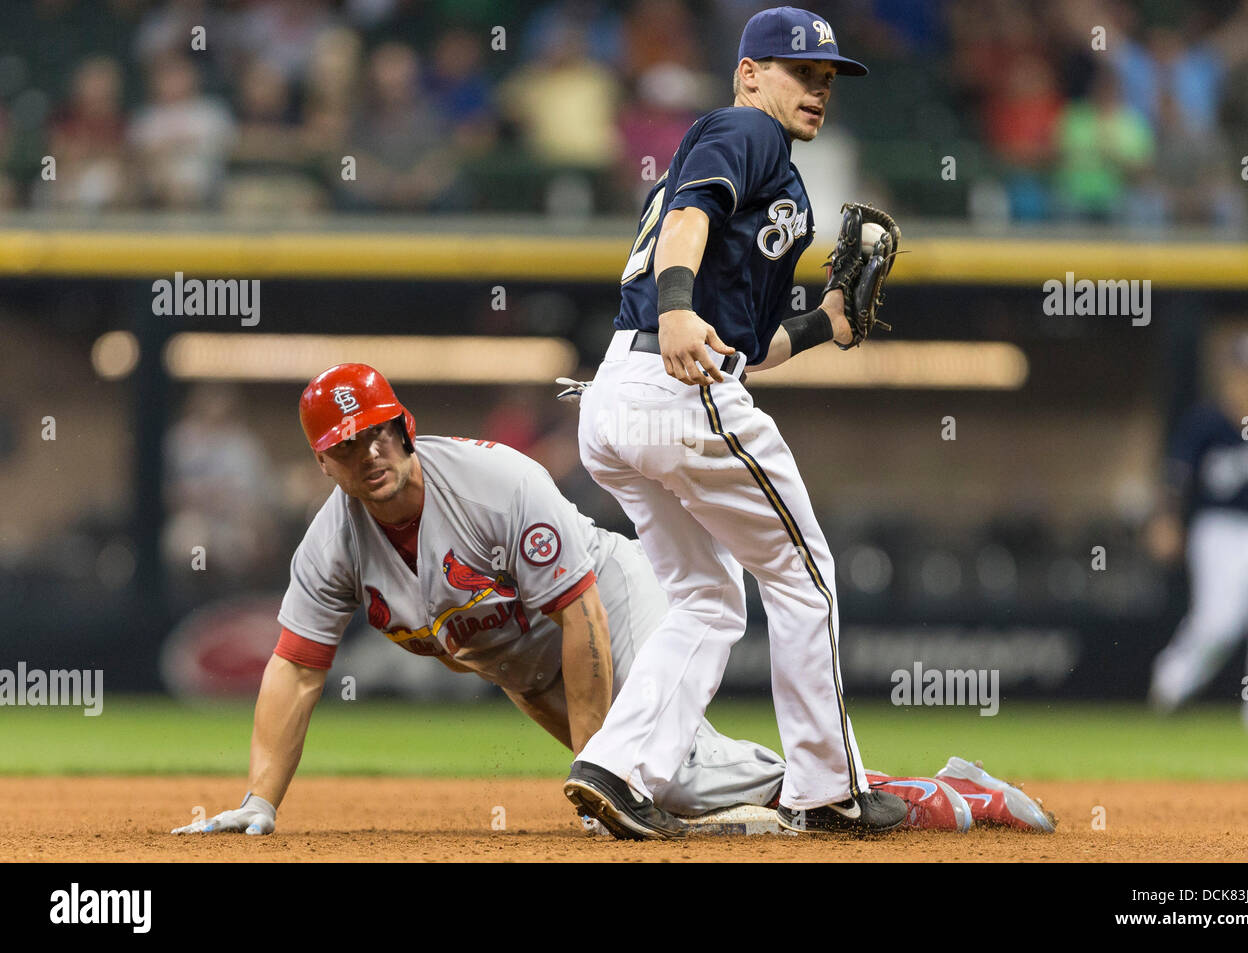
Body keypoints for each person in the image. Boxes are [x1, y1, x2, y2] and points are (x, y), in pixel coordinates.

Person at [172, 364, 1055, 836]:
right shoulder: (331, 545)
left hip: (605, 595)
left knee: (656, 782)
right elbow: (293, 672)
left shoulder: (490, 481)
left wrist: (604, 766)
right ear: (322, 465)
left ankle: (948, 796)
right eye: (345, 446)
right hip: (525, 663)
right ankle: (867, 789)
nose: (369, 453)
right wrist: (261, 798)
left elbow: (580, 616)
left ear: (404, 426)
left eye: (378, 432)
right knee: (672, 794)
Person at [561, 7, 945, 839]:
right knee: (804, 574)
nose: (817, 89)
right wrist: (673, 309)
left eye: (827, 78)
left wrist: (829, 321)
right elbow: (688, 215)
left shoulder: (783, 187)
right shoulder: (744, 129)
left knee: (707, 597)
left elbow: (746, 347)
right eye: (799, 71)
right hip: (670, 379)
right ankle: (829, 787)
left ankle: (616, 768)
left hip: (623, 398)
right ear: (748, 72)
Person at [1148, 332, 1248, 734]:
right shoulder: (1207, 422)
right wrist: (1166, 519)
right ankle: (1172, 681)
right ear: (1233, 374)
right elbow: (1175, 477)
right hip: (1218, 527)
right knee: (1219, 623)